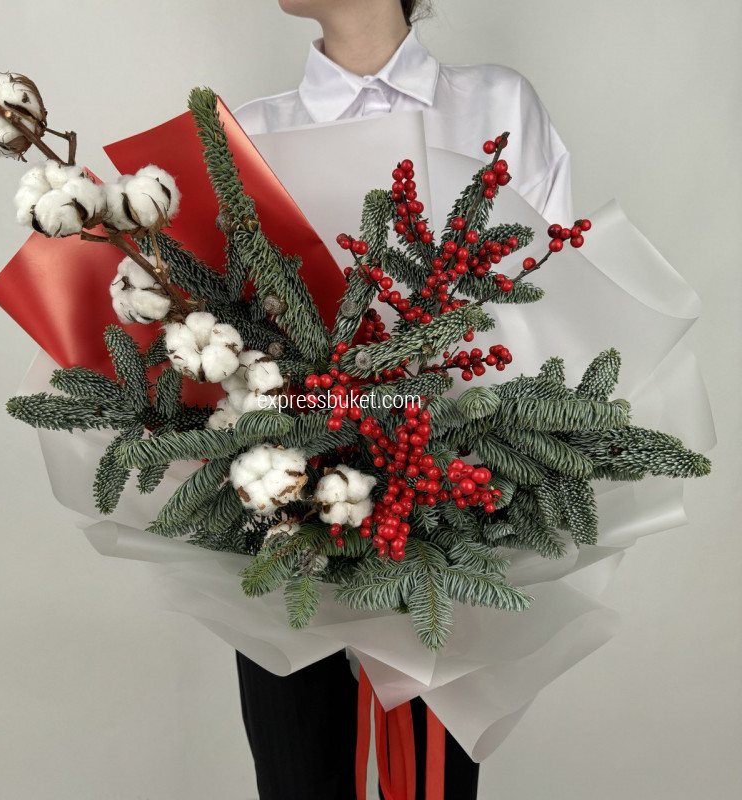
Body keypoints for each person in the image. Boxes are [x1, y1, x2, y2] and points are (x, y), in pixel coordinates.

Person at [232, 2, 574, 798]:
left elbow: (550, 302)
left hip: (454, 506)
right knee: (297, 778)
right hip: (288, 519)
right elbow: (231, 339)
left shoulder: (498, 106)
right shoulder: (251, 133)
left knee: (433, 787)